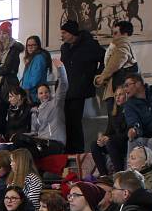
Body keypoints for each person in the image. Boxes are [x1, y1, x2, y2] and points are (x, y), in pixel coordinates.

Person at [59, 20, 105, 153]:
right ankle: (68, 148)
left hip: (80, 88)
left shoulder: (90, 45)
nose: (62, 36)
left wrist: (96, 75)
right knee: (66, 120)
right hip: (66, 88)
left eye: (64, 33)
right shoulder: (65, 48)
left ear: (72, 33)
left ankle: (77, 150)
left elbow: (104, 58)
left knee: (75, 120)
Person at [20, 58, 68, 158]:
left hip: (55, 142)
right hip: (41, 142)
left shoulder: (56, 103)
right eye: (41, 93)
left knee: (29, 153)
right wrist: (21, 136)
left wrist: (60, 68)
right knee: (19, 145)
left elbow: (63, 85)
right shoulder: (35, 112)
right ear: (37, 96)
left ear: (50, 93)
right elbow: (35, 133)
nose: (44, 95)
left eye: (46, 92)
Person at [93, 20, 137, 116]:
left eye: (116, 33)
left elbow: (114, 63)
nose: (113, 36)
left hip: (117, 90)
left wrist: (102, 77)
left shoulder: (122, 45)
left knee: (116, 118)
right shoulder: (124, 45)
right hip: (117, 89)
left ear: (124, 34)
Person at [91, 88, 129, 175]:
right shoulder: (114, 112)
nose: (117, 98)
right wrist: (102, 138)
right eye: (116, 95)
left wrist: (109, 138)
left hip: (125, 142)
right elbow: (109, 130)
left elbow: (126, 134)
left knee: (109, 142)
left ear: (126, 96)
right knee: (94, 145)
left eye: (120, 95)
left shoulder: (129, 110)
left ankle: (119, 174)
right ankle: (103, 175)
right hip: (114, 141)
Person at [0, 21, 24, 102]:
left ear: (9, 35)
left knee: (6, 107)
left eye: (4, 33)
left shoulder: (14, 49)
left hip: (8, 83)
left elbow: (6, 68)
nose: (1, 36)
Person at [20, 35, 52, 104]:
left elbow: (35, 78)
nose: (30, 47)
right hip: (31, 94)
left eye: (33, 45)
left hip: (35, 95)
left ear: (38, 46)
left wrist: (23, 89)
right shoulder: (33, 58)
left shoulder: (39, 58)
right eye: (28, 45)